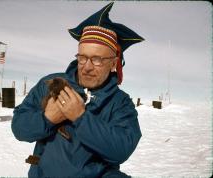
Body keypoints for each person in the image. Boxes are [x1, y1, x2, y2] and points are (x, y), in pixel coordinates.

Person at [12, 2, 144, 178]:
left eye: (97, 59)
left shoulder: (120, 103)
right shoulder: (51, 83)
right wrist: (47, 119)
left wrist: (81, 118)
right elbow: (19, 128)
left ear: (113, 63)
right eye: (82, 57)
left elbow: (121, 150)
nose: (87, 67)